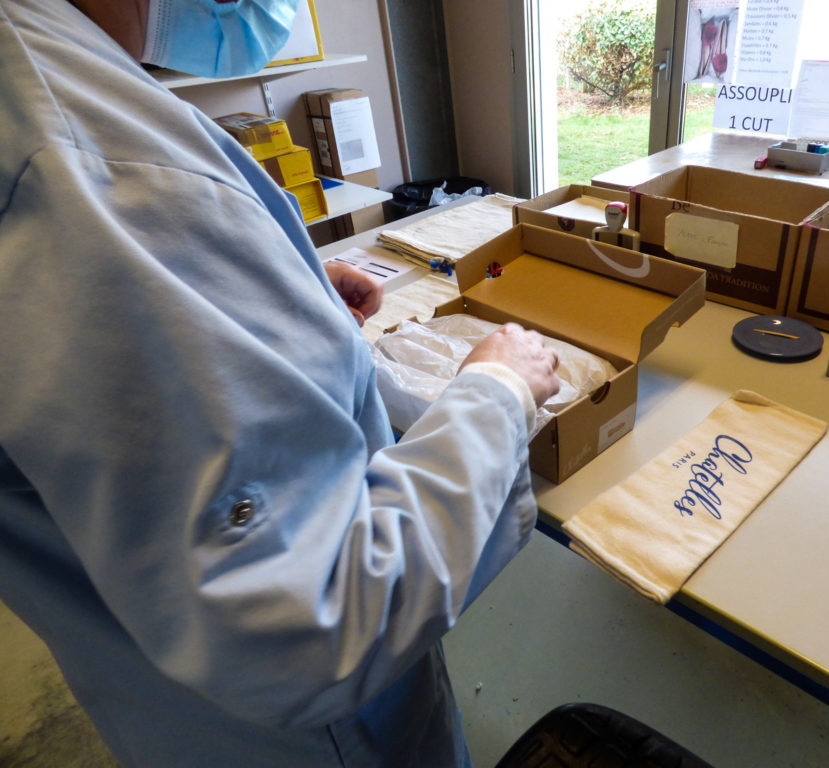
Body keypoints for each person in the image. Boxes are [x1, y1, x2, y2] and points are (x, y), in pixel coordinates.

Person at [0, 0, 560, 766]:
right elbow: (315, 620)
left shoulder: (59, 81)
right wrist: (498, 391)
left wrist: (282, 296)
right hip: (308, 738)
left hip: (161, 695)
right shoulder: (77, 163)